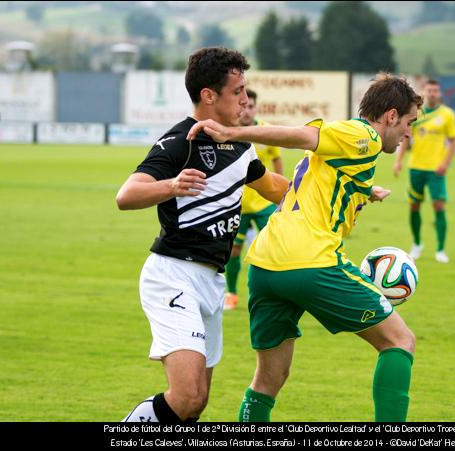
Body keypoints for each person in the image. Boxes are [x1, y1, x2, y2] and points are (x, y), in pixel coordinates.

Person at [188, 72, 423, 422]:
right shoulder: (364, 134)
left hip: (266, 265)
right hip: (310, 261)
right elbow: (303, 136)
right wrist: (233, 132)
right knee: (400, 341)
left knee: (269, 378)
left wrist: (364, 190)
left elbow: (317, 179)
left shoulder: (352, 153)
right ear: (390, 116)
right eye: (409, 122)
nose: (408, 133)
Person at [116, 48, 289, 423]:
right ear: (209, 95)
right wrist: (172, 185)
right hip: (173, 276)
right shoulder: (180, 141)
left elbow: (275, 188)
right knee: (187, 395)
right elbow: (126, 196)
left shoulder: (241, 144)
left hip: (212, 279)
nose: (246, 99)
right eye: (238, 90)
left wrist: (343, 189)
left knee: (196, 403)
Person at [224, 88, 283, 310]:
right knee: (233, 252)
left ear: (256, 108)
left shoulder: (266, 132)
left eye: (251, 106)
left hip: (264, 204)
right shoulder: (229, 131)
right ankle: (231, 293)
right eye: (244, 106)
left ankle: (275, 296)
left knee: (274, 249)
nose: (247, 111)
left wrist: (281, 191)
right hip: (238, 205)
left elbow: (276, 161)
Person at [393, 79, 455, 264]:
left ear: (439, 93)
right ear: (424, 92)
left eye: (435, 90)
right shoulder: (415, 114)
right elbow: (405, 138)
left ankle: (440, 249)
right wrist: (398, 161)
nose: (432, 93)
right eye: (429, 90)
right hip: (416, 168)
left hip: (436, 169)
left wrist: (445, 163)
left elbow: (453, 141)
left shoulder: (447, 115)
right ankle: (417, 244)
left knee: (438, 206)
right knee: (414, 206)